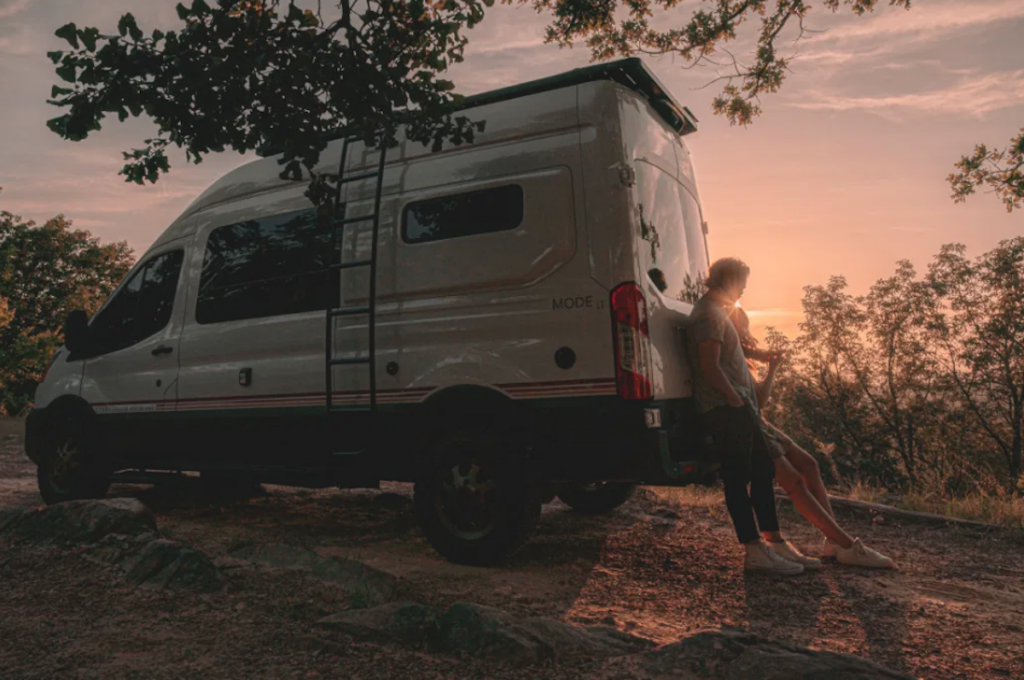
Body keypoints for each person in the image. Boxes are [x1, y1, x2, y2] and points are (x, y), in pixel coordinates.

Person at [727, 305, 894, 569]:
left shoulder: (743, 359)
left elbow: (760, 400)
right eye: (741, 327)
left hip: (760, 421)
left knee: (809, 465)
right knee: (793, 480)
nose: (745, 333)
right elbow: (755, 403)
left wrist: (771, 369)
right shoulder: (730, 358)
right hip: (749, 424)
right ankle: (847, 545)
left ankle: (833, 542)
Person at [686, 257, 808, 575]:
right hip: (726, 410)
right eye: (741, 283)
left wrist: (759, 358)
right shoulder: (708, 315)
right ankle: (754, 550)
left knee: (762, 471)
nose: (743, 290)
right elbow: (709, 365)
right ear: (728, 281)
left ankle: (774, 543)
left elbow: (725, 355)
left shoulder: (715, 312)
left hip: (739, 408)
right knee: (737, 479)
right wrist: (733, 399)